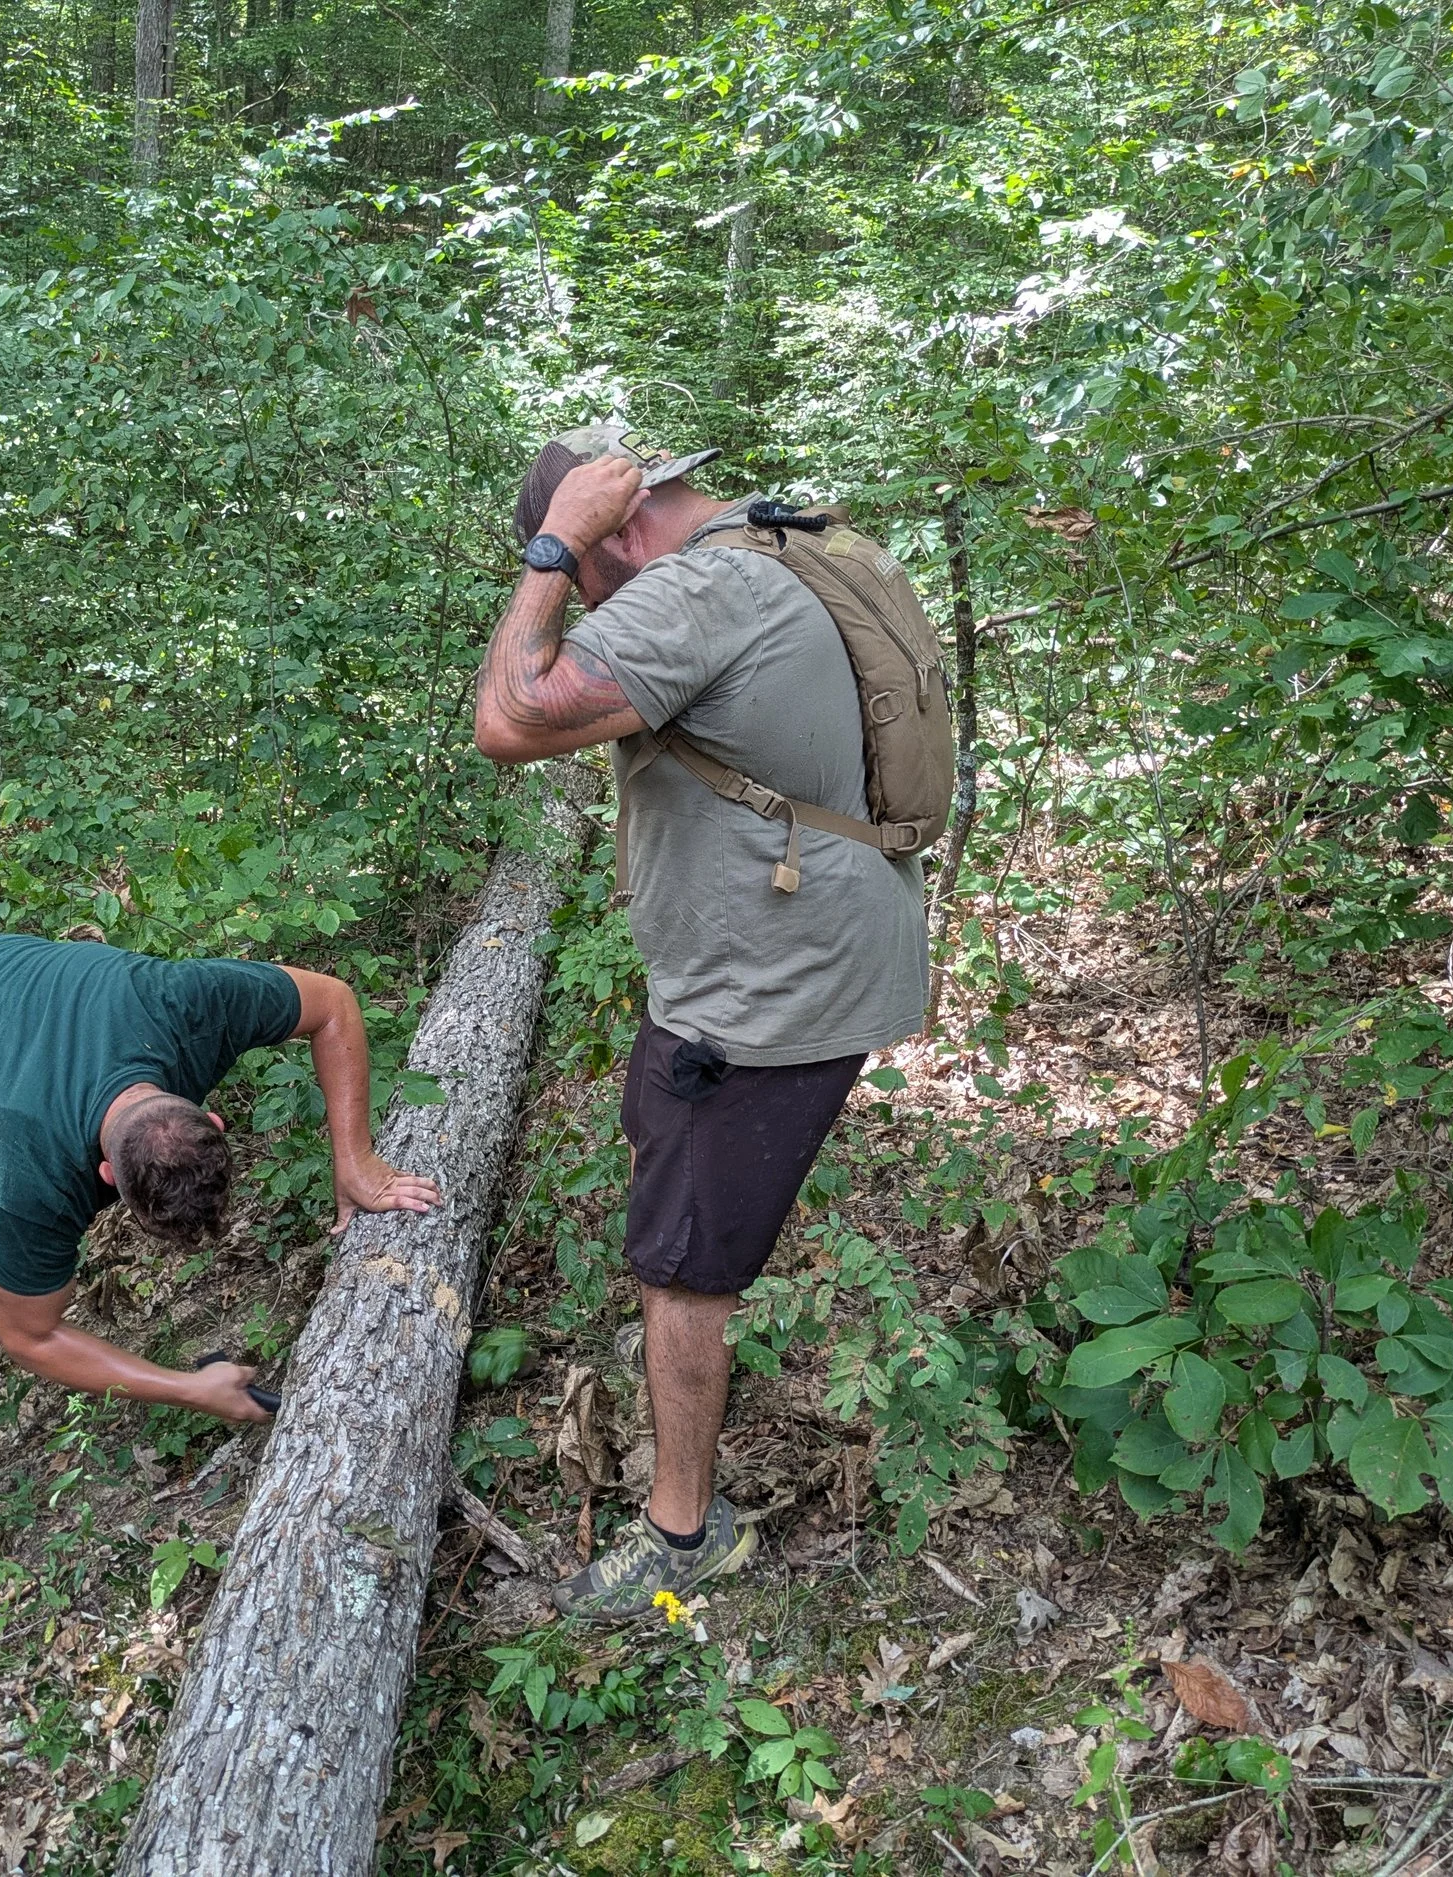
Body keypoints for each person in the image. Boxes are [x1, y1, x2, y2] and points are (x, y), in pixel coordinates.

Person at [475, 422, 927, 1619]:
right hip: (796, 953)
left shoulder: (702, 587)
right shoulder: (776, 544)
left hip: (759, 992)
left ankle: (683, 1532)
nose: (582, 596)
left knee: (682, 1265)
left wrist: (547, 551)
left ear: (617, 524)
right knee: (683, 1215)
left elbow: (510, 716)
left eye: (586, 568)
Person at [0, 933, 441, 1653]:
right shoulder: (25, 1169)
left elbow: (332, 1003)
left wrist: (354, 1159)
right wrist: (190, 1388)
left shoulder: (190, 1007)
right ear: (107, 1178)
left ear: (213, 1120)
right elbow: (32, 1337)